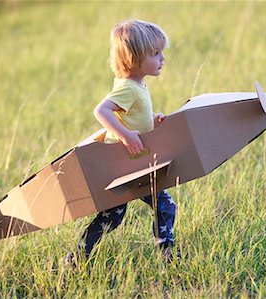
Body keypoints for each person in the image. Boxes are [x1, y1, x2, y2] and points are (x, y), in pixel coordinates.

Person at [65, 20, 176, 268]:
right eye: (155, 53)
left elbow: (129, 114)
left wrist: (151, 120)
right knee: (152, 208)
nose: (162, 58)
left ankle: (76, 259)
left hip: (133, 164)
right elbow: (101, 111)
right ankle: (167, 258)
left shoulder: (136, 85)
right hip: (124, 165)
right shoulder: (129, 87)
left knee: (123, 214)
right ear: (134, 58)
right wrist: (126, 135)